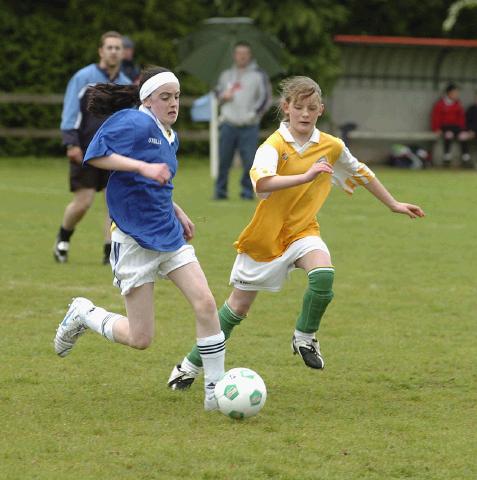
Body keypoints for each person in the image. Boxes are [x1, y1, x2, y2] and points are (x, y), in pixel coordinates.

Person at [167, 76, 425, 390]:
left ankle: (304, 338)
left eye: (311, 108)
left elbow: (361, 173)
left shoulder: (331, 146)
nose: (304, 113)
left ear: (321, 110)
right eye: (298, 107)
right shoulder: (273, 146)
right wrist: (306, 175)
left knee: (323, 275)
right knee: (237, 308)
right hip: (266, 237)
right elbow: (262, 183)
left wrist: (393, 203)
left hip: (303, 231)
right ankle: (189, 367)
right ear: (285, 108)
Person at [53, 67, 225, 411]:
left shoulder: (169, 135)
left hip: (169, 235)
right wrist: (142, 168)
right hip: (133, 239)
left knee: (205, 304)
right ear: (147, 99)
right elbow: (96, 155)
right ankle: (83, 313)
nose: (173, 103)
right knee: (141, 338)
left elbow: (157, 182)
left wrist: (177, 209)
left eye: (176, 96)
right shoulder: (134, 122)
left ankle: (215, 393)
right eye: (165, 97)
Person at [54, 31, 131, 265]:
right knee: (83, 202)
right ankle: (62, 239)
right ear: (101, 51)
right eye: (109, 47)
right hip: (86, 150)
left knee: (113, 202)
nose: (114, 51)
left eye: (118, 48)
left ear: (122, 53)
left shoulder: (126, 84)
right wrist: (71, 142)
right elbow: (70, 111)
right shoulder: (83, 77)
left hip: (114, 153)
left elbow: (128, 121)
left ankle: (110, 252)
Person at [214, 41, 272, 200]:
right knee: (223, 160)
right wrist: (222, 97)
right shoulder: (226, 75)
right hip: (228, 124)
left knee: (249, 162)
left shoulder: (258, 75)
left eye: (245, 53)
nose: (242, 56)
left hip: (249, 126)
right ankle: (220, 192)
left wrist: (254, 115)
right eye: (239, 53)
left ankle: (247, 192)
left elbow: (265, 98)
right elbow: (217, 94)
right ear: (234, 55)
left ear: (250, 55)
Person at [431, 83, 471, 167]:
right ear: (448, 93)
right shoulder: (440, 104)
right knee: (448, 135)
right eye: (454, 93)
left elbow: (461, 118)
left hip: (456, 127)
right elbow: (436, 118)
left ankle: (466, 157)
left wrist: (463, 128)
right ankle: (447, 157)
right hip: (445, 127)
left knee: (463, 135)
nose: (456, 95)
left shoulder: (457, 104)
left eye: (457, 93)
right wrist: (436, 129)